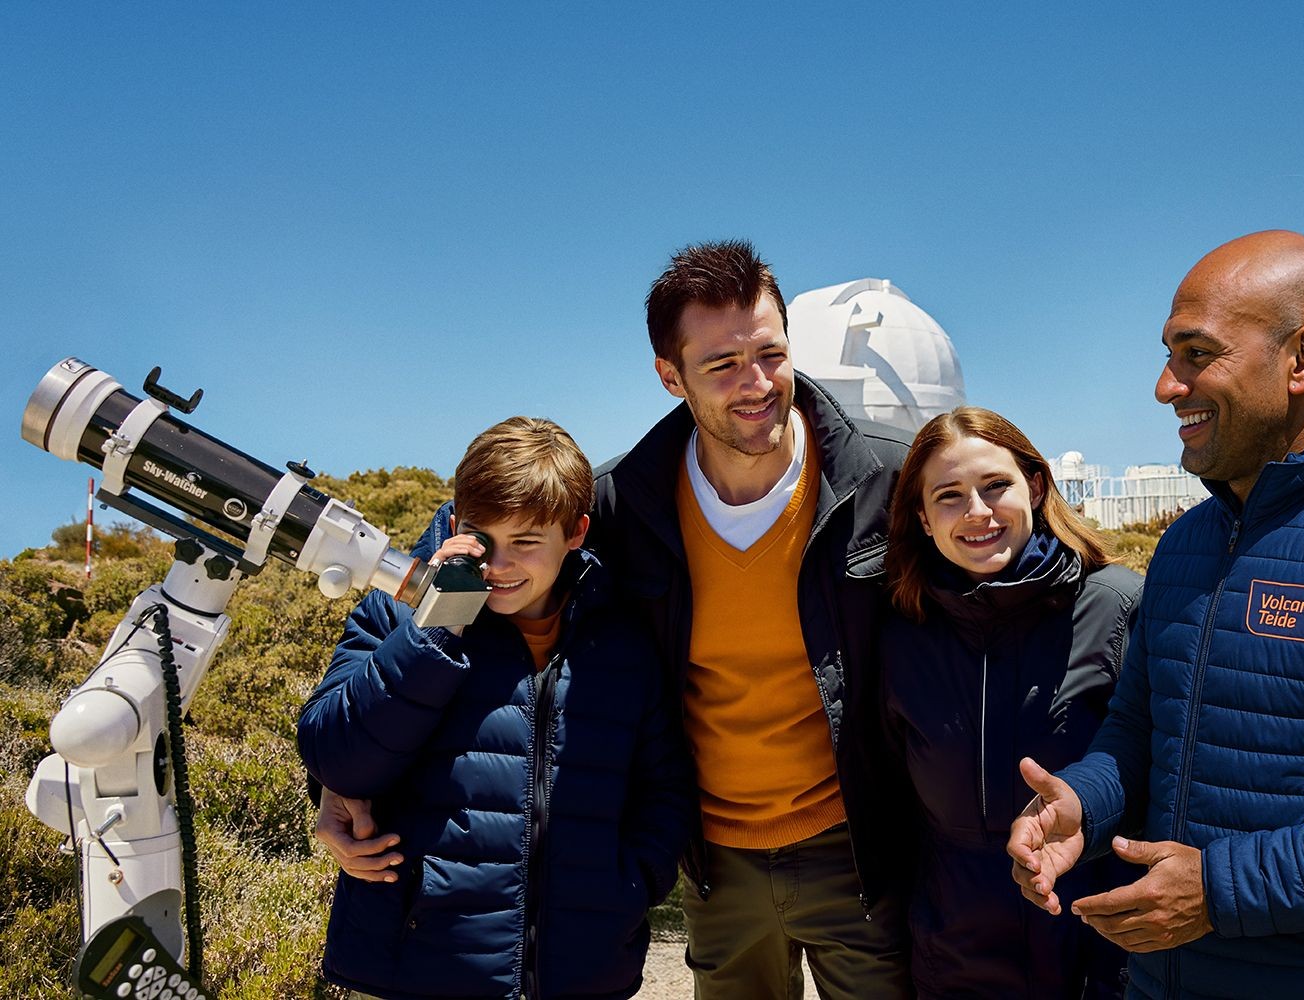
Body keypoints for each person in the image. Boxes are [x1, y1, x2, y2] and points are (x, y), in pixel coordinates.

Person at [316, 241, 914, 999]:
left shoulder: (889, 479)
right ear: (671, 377)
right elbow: (483, 536)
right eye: (722, 364)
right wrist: (339, 782)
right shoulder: (623, 502)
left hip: (857, 847)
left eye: (770, 352)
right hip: (716, 863)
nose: (757, 383)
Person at [1008, 230, 1304, 999]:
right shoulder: (1188, 545)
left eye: (1196, 354)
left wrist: (1220, 891)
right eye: (1170, 355)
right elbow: (1140, 732)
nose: (1167, 387)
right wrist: (1082, 805)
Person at [298, 416, 693, 1000]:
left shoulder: (624, 643)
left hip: (584, 974)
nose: (500, 566)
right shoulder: (395, 619)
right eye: (483, 539)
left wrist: (627, 886)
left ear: (576, 532)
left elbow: (665, 789)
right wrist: (437, 629)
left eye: (527, 542)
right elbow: (337, 759)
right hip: (420, 970)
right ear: (456, 525)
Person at [881, 406, 1139, 999]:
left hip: (1090, 937)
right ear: (921, 517)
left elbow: (1158, 761)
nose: (977, 511)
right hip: (954, 948)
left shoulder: (1117, 606)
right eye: (948, 495)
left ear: (1038, 485)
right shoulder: (902, 630)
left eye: (996, 485)